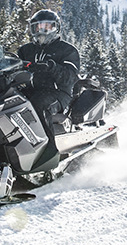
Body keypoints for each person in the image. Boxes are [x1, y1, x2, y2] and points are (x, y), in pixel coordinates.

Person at [16, 9, 80, 168]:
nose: (41, 31)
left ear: (55, 28)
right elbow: (13, 66)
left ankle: (49, 154)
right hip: (29, 92)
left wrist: (52, 67)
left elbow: (70, 77)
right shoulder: (25, 50)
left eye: (46, 26)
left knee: (39, 104)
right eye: (37, 27)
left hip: (58, 93)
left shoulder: (67, 50)